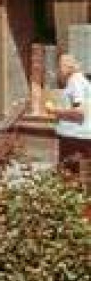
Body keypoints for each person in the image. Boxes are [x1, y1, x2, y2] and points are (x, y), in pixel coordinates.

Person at [51, 51, 91, 183]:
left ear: (69, 67)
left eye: (60, 66)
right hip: (79, 136)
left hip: (74, 137)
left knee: (69, 176)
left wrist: (55, 110)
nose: (59, 70)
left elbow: (79, 111)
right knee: (80, 175)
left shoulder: (75, 82)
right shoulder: (80, 80)